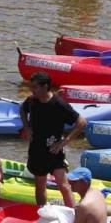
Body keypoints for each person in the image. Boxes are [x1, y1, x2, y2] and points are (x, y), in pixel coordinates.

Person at [20, 71, 87, 207]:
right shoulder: (32, 100)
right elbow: (22, 109)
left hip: (54, 150)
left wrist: (63, 143)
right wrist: (27, 127)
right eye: (31, 87)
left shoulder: (59, 104)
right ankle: (43, 212)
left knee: (63, 185)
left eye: (35, 87)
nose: (32, 90)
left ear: (45, 87)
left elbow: (81, 123)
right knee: (40, 185)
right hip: (36, 149)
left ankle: (73, 215)